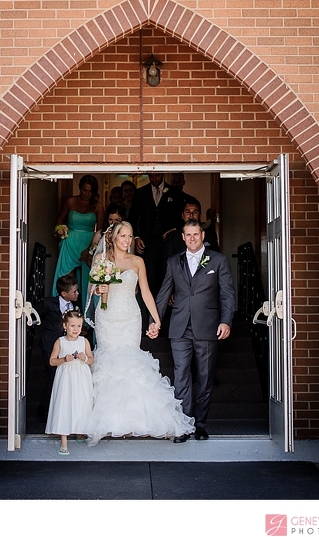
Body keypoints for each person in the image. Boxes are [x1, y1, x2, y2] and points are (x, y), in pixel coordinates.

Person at [85, 221, 195, 446]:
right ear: (113, 237)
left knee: (130, 363)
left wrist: (156, 318)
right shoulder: (101, 260)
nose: (126, 240)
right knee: (109, 364)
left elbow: (145, 292)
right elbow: (91, 288)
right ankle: (110, 421)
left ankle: (134, 420)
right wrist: (98, 289)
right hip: (107, 316)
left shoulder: (137, 261)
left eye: (130, 236)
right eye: (122, 236)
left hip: (130, 317)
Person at [152, 219, 236, 442]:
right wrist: (155, 321)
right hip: (179, 327)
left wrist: (226, 321)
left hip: (207, 326)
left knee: (205, 376)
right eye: (187, 235)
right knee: (181, 376)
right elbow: (163, 294)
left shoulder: (218, 260)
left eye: (195, 234)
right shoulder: (173, 261)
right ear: (182, 236)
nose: (191, 238)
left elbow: (227, 294)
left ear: (203, 235)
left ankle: (200, 424)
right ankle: (183, 424)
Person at [52, 174, 104, 310]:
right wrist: (61, 231)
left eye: (90, 191)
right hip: (70, 244)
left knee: (87, 281)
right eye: (84, 190)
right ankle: (63, 313)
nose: (86, 194)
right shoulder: (70, 201)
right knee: (66, 280)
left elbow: (101, 231)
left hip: (89, 245)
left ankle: (86, 319)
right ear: (79, 188)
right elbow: (59, 219)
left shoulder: (98, 206)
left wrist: (90, 250)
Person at [45, 309, 94, 456]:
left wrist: (84, 358)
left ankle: (80, 430)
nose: (76, 329)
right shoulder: (60, 342)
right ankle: (64, 440)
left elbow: (91, 359)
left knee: (81, 402)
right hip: (66, 376)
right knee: (64, 403)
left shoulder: (84, 341)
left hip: (81, 376)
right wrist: (64, 359)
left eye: (79, 326)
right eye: (72, 326)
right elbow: (52, 361)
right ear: (65, 326)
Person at [128, 172, 183, 297]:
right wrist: (136, 237)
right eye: (151, 176)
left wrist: (174, 230)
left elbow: (181, 219)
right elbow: (132, 218)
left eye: (157, 176)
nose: (154, 179)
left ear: (163, 174)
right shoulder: (141, 193)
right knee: (149, 279)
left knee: (167, 277)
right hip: (147, 245)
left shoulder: (174, 192)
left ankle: (166, 314)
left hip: (168, 244)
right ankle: (151, 313)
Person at [35, 274, 80, 420]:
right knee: (53, 376)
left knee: (66, 377)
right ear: (64, 294)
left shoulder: (76, 304)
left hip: (69, 346)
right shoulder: (49, 303)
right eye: (74, 291)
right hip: (50, 344)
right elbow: (34, 314)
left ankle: (64, 409)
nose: (77, 293)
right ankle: (45, 409)